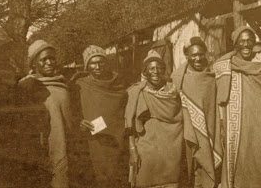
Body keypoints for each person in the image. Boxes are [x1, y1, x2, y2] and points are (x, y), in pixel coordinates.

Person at [212, 26, 261, 188]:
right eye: (242, 41)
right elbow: (217, 98)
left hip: (260, 121)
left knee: (258, 158)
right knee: (235, 158)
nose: (246, 44)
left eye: (249, 41)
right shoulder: (225, 66)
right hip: (235, 123)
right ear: (236, 44)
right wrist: (222, 123)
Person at [125, 50, 183, 188]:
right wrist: (132, 150)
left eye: (159, 68)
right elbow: (130, 126)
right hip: (147, 151)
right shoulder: (136, 93)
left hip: (171, 151)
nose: (155, 71)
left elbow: (181, 119)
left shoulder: (174, 92)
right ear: (145, 71)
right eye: (151, 68)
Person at [71, 45, 127, 187]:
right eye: (92, 62)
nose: (97, 66)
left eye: (100, 61)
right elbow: (73, 112)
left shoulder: (119, 84)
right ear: (86, 65)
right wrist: (80, 122)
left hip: (118, 140)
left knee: (119, 177)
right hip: (94, 142)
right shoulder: (80, 85)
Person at [18, 40, 72, 188]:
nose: (49, 62)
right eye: (43, 59)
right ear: (34, 63)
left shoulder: (63, 86)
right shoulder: (26, 86)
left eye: (52, 58)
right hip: (39, 148)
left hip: (64, 146)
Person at [171, 37, 221, 188]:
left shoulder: (212, 76)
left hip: (210, 128)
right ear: (187, 56)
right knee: (190, 171)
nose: (197, 58)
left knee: (208, 165)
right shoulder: (178, 78)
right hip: (187, 133)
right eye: (193, 55)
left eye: (200, 54)